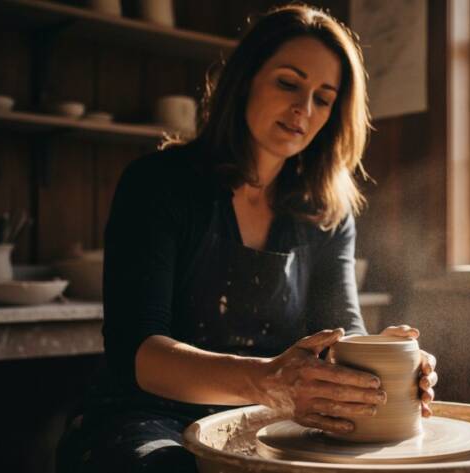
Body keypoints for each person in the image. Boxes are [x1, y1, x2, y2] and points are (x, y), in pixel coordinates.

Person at [56, 4, 438, 473]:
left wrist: (386, 366)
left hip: (268, 421)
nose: (304, 108)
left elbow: (340, 329)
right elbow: (138, 350)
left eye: (323, 97)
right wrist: (264, 379)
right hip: (145, 416)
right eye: (288, 82)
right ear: (245, 79)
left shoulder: (325, 212)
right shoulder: (159, 184)